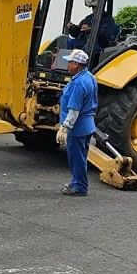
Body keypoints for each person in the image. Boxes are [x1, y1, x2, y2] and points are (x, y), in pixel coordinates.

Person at [55, 48, 98, 197]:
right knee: (80, 157)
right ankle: (76, 182)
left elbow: (74, 110)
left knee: (76, 158)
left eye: (70, 62)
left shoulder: (78, 84)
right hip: (87, 125)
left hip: (77, 127)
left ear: (77, 64)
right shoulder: (90, 77)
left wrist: (64, 128)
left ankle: (80, 187)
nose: (68, 65)